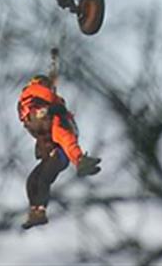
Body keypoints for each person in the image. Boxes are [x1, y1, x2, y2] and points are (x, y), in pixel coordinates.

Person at [16, 74, 101, 229]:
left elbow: (65, 136)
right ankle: (37, 211)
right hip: (52, 153)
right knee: (32, 180)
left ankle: (80, 160)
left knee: (43, 179)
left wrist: (53, 105)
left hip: (59, 152)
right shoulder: (37, 108)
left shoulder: (50, 113)